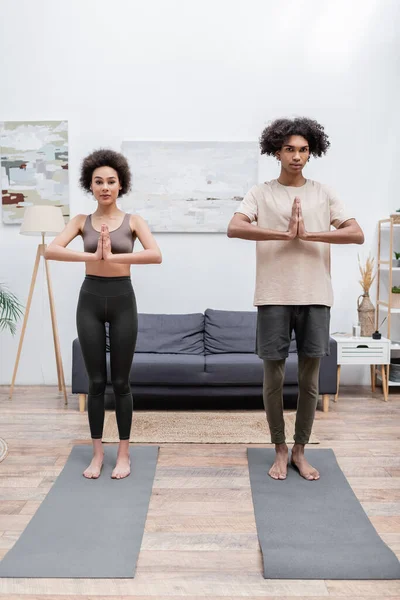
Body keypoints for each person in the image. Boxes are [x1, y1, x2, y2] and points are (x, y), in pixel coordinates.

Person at [227, 117, 364, 481]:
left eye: (303, 150)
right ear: (277, 151)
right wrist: (282, 233)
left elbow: (356, 233)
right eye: (290, 149)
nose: (297, 156)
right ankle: (279, 448)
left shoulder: (324, 192)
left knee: (310, 382)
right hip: (273, 295)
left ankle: (301, 450)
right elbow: (235, 227)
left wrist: (311, 234)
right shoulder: (261, 193)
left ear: (312, 151)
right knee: (272, 379)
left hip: (316, 295)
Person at [45, 149, 162, 480]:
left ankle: (123, 454)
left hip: (123, 300)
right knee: (96, 383)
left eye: (111, 181)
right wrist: (94, 255)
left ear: (121, 184)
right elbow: (52, 250)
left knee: (121, 382)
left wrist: (114, 259)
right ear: (90, 185)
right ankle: (98, 454)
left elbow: (155, 255)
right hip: (90, 301)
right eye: (98, 181)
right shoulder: (81, 221)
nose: (105, 187)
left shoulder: (134, 221)